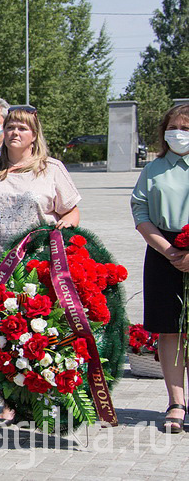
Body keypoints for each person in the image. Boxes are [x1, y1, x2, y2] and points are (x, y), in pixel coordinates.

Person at [0, 105, 80, 423]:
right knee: (1, 336)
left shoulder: (51, 169)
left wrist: (65, 226)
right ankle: (10, 399)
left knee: (38, 335)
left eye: (22, 128)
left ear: (34, 135)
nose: (14, 132)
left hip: (35, 268)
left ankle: (41, 397)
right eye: (11, 126)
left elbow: (71, 211)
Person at [130, 104, 189, 433]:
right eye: (172, 127)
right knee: (170, 330)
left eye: (185, 127)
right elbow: (140, 210)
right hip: (163, 251)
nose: (177, 133)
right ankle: (176, 402)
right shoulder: (153, 169)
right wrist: (168, 251)